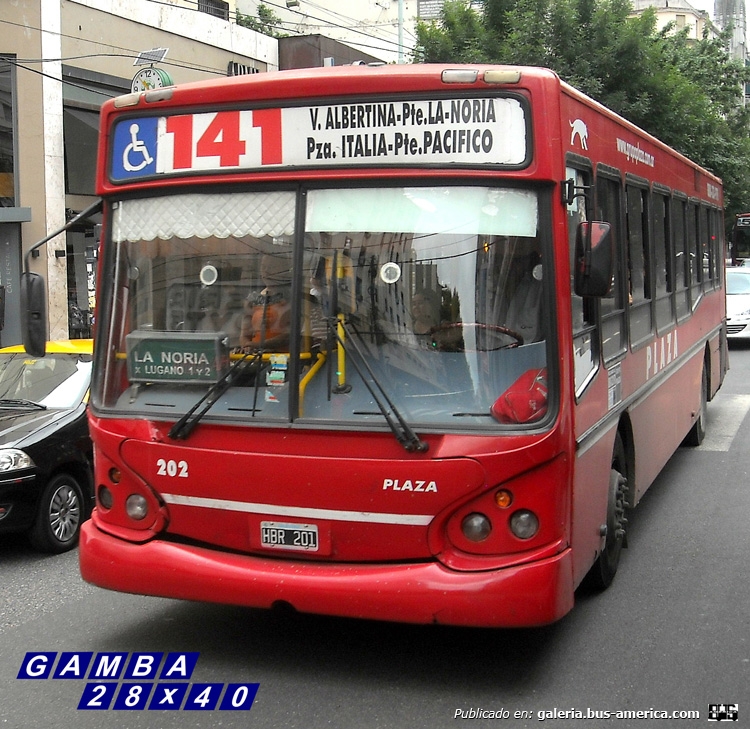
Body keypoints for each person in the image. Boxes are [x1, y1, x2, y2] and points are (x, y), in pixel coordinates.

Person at [238, 253, 293, 352]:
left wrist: (258, 345)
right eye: (263, 267)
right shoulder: (252, 300)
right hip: (256, 360)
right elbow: (244, 335)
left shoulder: (293, 298)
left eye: (271, 267)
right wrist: (247, 346)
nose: (266, 271)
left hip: (284, 360)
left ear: (283, 269)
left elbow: (289, 336)